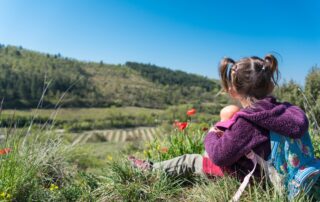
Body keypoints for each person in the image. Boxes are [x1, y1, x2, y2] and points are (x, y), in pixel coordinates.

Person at [129, 55, 309, 180]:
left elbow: (219, 157)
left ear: (233, 91)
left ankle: (149, 170)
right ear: (270, 85)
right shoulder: (287, 109)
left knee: (189, 161)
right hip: (288, 171)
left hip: (258, 178)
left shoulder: (249, 121)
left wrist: (214, 132)